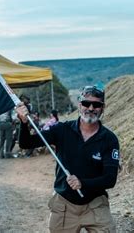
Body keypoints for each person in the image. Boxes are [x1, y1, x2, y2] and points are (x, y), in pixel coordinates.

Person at [16, 85, 120, 232]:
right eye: (86, 103)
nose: (91, 108)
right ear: (79, 105)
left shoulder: (109, 139)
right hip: (64, 203)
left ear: (103, 107)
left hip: (95, 204)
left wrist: (82, 183)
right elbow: (26, 143)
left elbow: (110, 179)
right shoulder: (61, 129)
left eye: (96, 104)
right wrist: (23, 122)